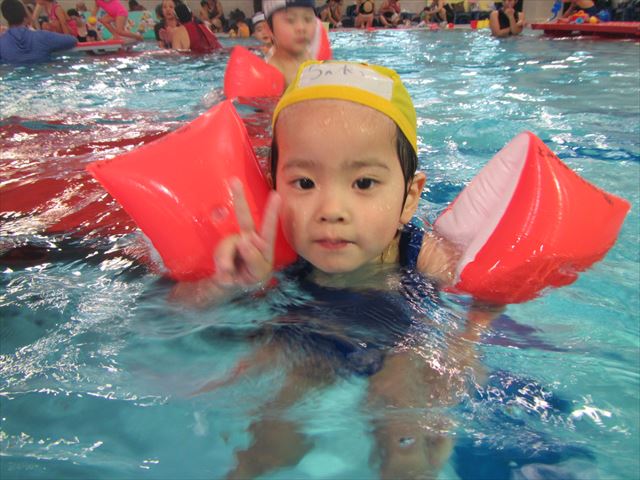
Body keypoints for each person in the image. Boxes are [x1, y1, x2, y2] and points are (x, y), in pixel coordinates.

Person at [175, 60, 502, 479]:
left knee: (405, 429)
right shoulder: (268, 253)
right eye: (305, 183)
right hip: (304, 342)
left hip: (401, 346)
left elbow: (485, 292)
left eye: (363, 183)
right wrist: (228, 283)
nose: (331, 210)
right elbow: (182, 312)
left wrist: (468, 340)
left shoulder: (422, 252)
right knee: (270, 442)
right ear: (274, 187)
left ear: (409, 197)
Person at [1, 0, 77, 63]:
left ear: (5, 17)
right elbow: (72, 40)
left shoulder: (2, 42)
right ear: (25, 16)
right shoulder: (43, 37)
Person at [262, 0, 317, 86]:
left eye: (308, 19)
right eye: (290, 20)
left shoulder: (309, 53)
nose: (301, 27)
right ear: (269, 29)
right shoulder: (271, 74)